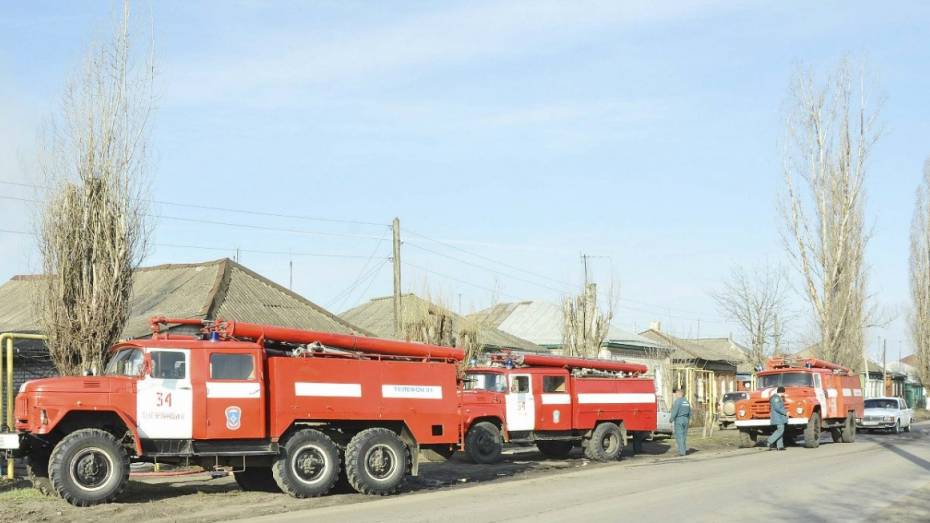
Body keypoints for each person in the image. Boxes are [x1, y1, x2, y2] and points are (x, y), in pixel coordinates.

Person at [669, 387, 691, 456]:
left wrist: (671, 419)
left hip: (679, 420)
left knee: (679, 435)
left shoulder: (677, 401)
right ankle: (683, 450)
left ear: (679, 394)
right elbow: (690, 412)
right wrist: (689, 419)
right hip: (686, 419)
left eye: (676, 394)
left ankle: (682, 452)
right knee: (684, 436)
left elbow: (675, 411)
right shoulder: (686, 402)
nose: (675, 395)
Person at [766, 386, 788, 451]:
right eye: (784, 392)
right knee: (780, 430)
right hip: (777, 417)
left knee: (780, 430)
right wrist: (785, 413)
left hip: (779, 417)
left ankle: (780, 446)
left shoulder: (778, 398)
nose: (784, 394)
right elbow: (777, 408)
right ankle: (769, 441)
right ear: (781, 392)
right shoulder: (776, 398)